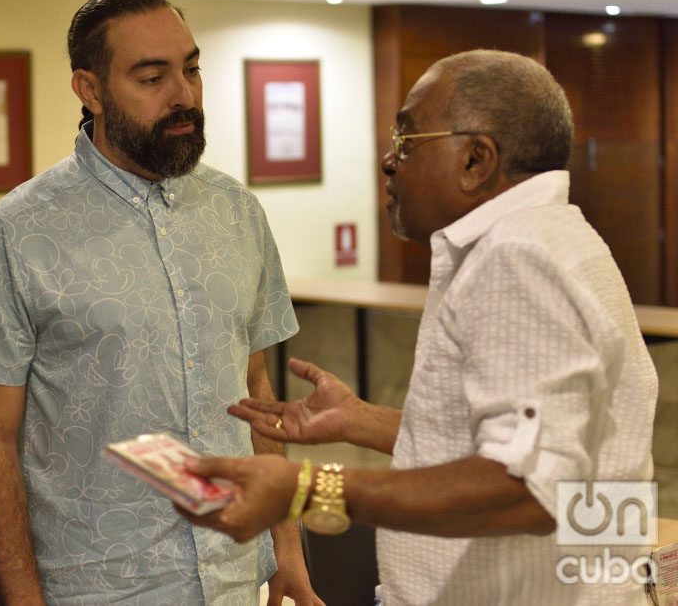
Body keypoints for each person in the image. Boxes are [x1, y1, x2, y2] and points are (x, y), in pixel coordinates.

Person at [182, 49, 659, 605]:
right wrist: (361, 421)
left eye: (406, 142)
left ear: (477, 160)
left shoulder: (517, 259)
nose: (388, 161)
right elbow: (524, 437)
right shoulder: (553, 238)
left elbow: (530, 488)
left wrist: (311, 488)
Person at [0, 0, 319, 605]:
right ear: (89, 90)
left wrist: (288, 554)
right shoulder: (16, 232)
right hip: (99, 586)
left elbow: (257, 392)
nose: (184, 95)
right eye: (152, 77)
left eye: (191, 69)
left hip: (234, 575)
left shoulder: (238, 213)